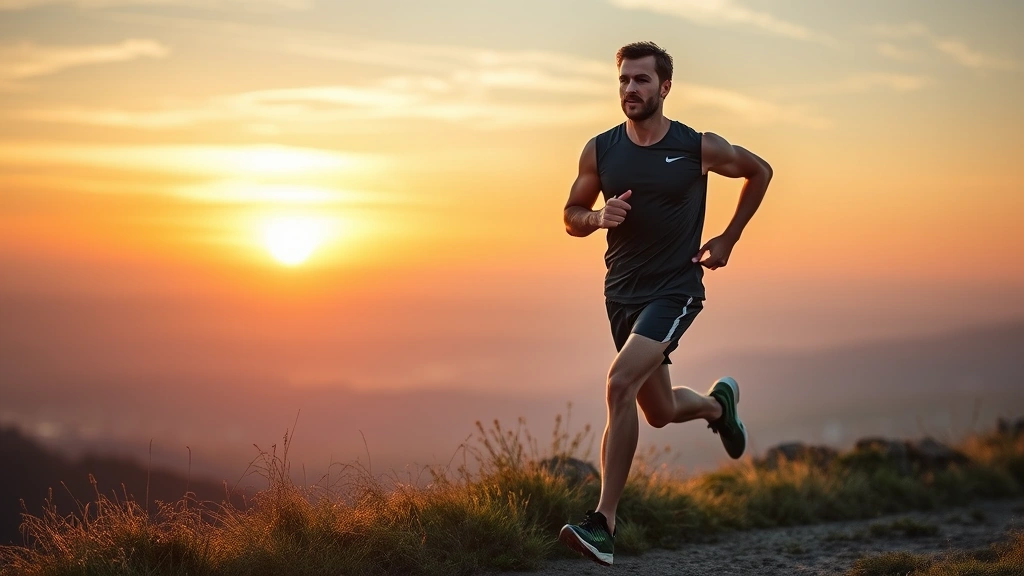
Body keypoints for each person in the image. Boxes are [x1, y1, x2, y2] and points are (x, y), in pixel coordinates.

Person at [558, 41, 773, 566]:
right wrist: (596, 219)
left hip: (674, 290)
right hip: (621, 294)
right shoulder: (601, 150)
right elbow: (570, 214)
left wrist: (728, 238)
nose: (631, 89)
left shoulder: (697, 147)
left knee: (618, 383)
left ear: (665, 87)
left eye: (642, 81)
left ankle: (603, 524)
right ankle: (719, 406)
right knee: (658, 411)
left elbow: (760, 171)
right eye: (624, 81)